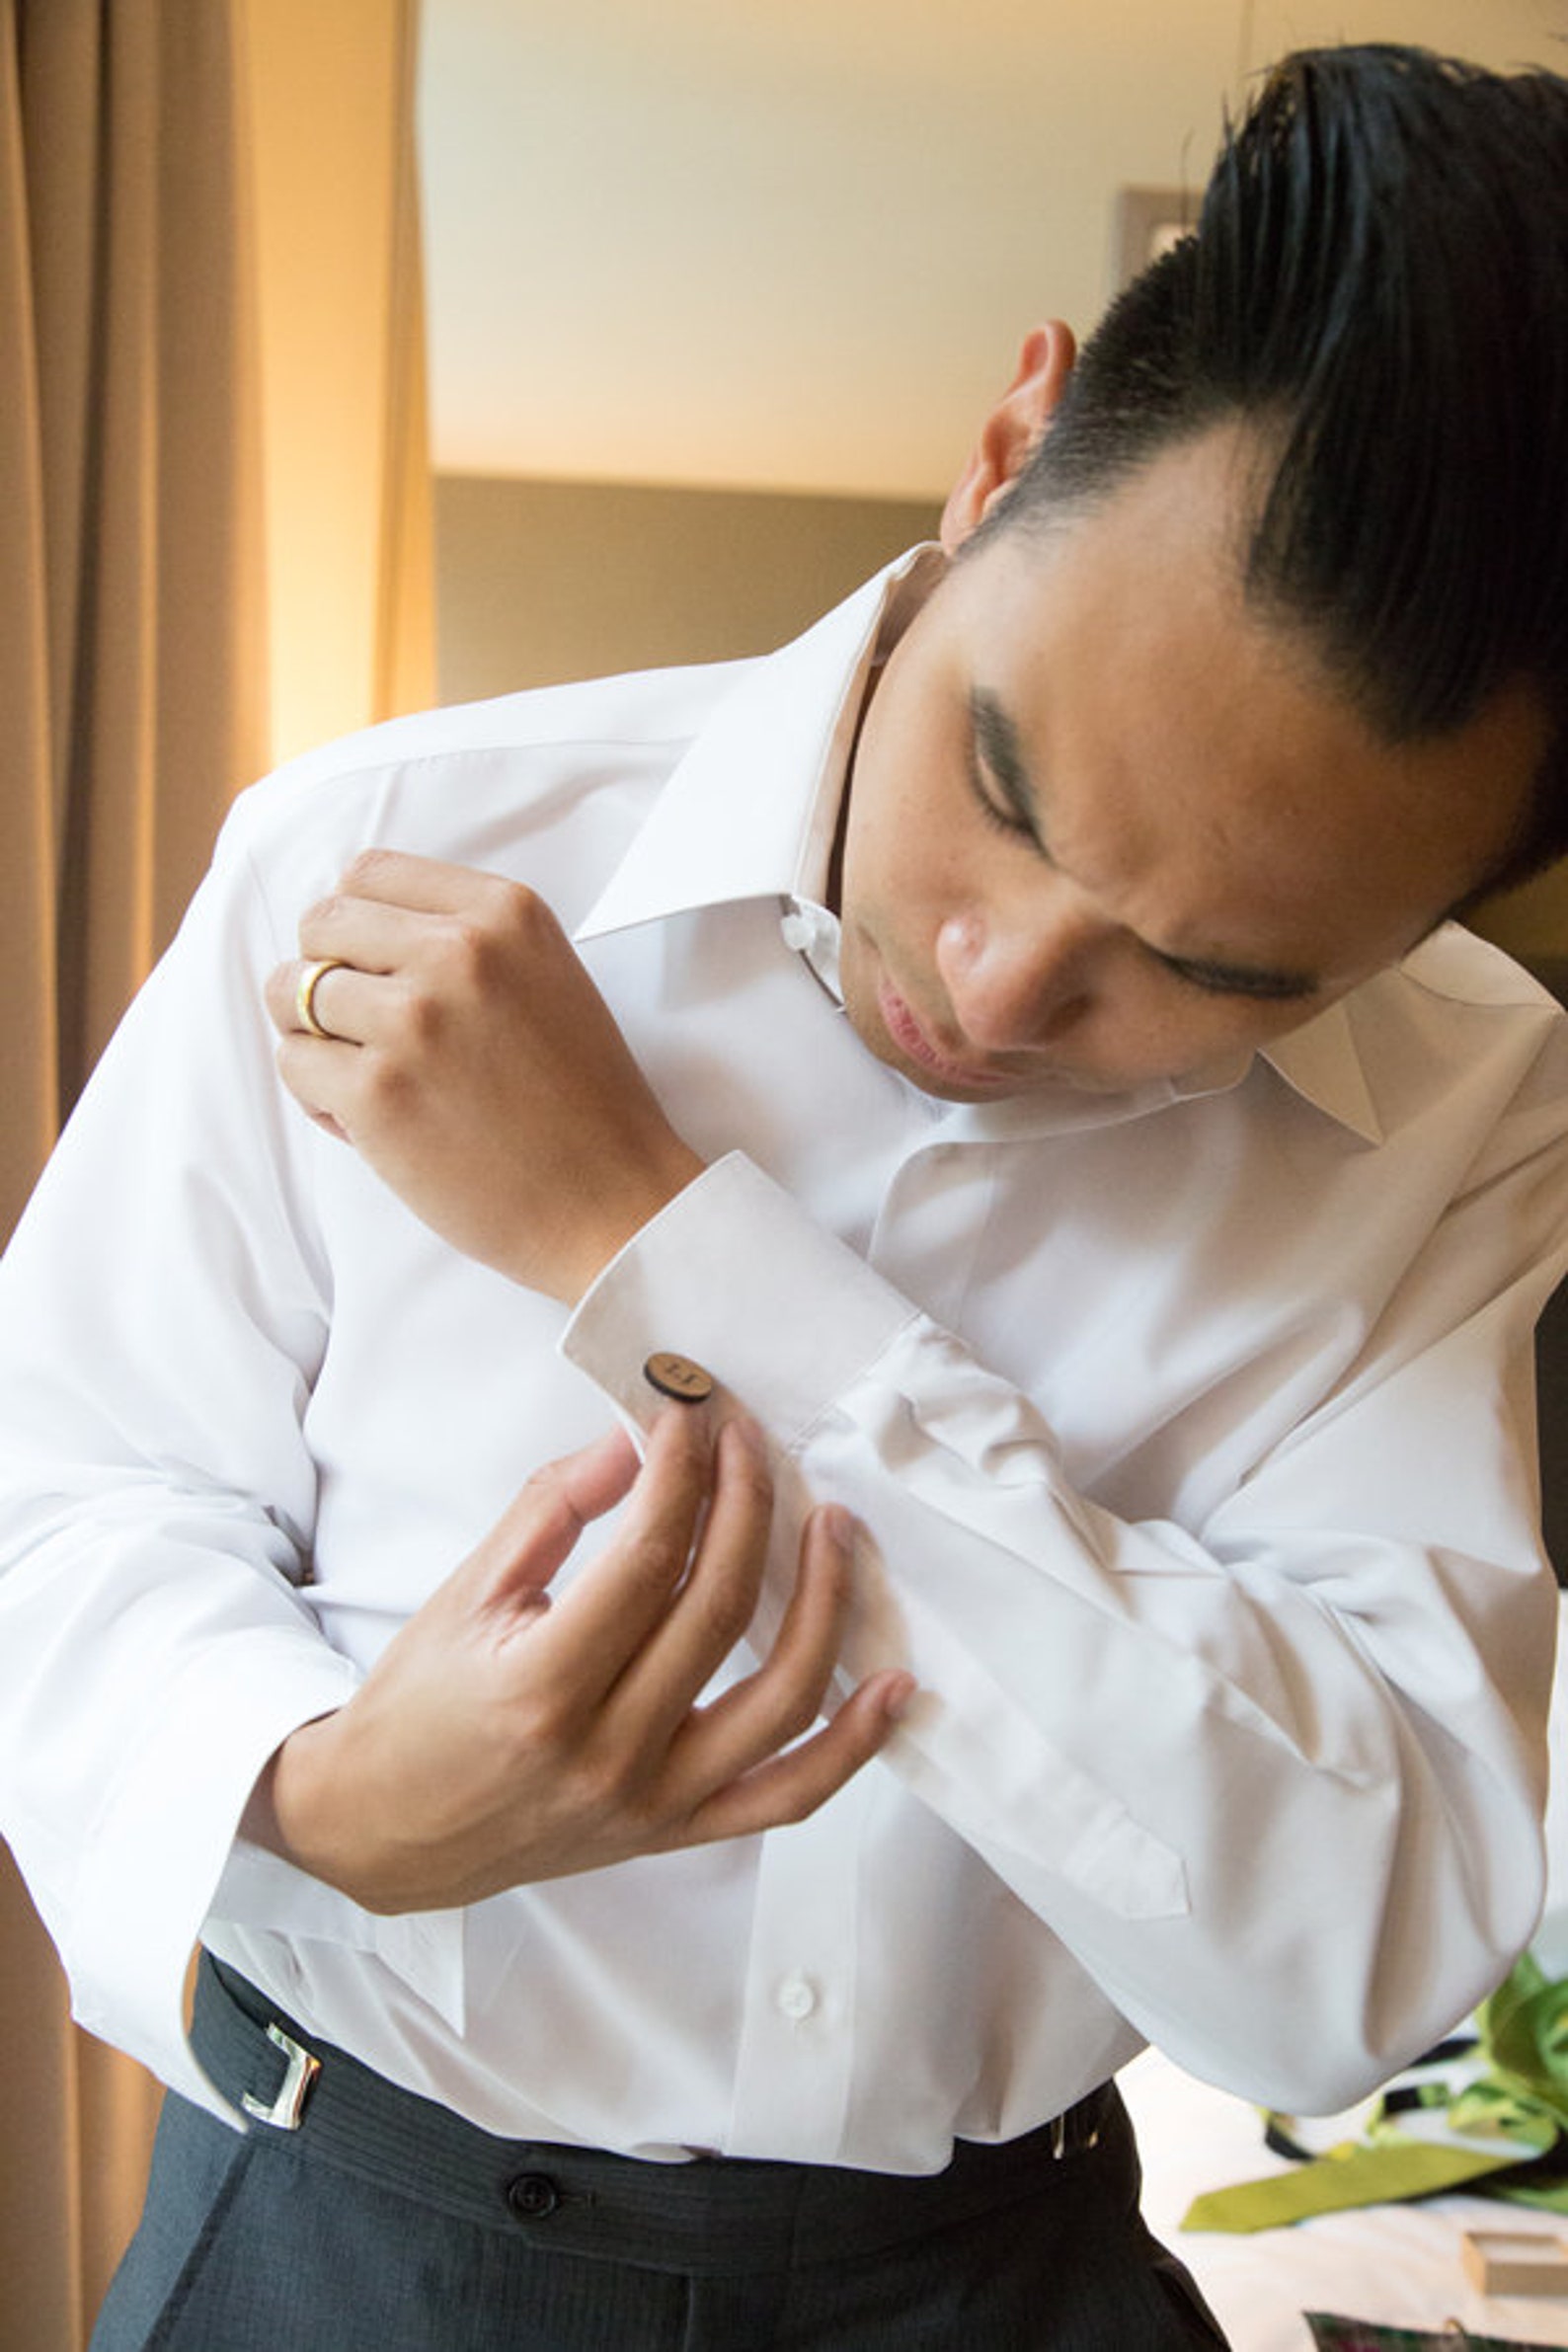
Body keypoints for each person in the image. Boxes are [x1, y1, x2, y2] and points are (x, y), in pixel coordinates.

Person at [4, 39, 1568, 2352]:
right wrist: (324, 1800)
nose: (1004, 979)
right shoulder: (370, 853)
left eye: (1210, 969)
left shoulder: (1471, 1122)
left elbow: (1351, 1943)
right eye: (1007, 787)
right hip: (338, 2252)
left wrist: (655, 1244)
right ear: (1006, 449)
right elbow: (58, 1499)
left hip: (1000, 2289)